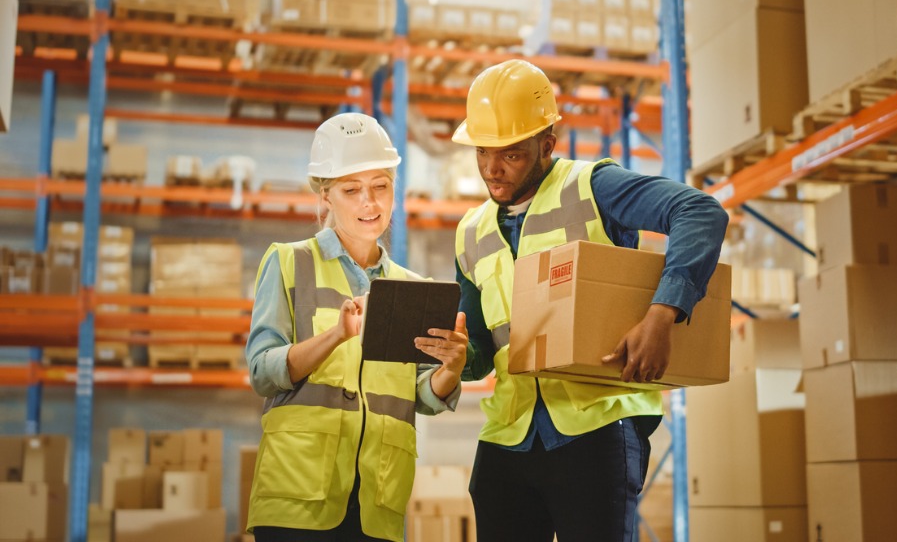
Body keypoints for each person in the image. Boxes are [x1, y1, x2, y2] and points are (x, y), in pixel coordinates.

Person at [452, 60, 729, 542]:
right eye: (482, 151)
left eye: (511, 154)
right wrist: (454, 360)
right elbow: (479, 352)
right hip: (507, 436)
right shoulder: (470, 232)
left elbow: (699, 212)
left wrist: (662, 315)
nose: (492, 169)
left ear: (547, 145)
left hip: (597, 427)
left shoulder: (593, 187)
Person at [244, 112, 469, 542]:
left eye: (380, 186)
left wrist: (450, 370)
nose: (370, 202)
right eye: (352, 190)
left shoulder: (412, 287)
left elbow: (420, 397)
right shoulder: (291, 262)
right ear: (326, 197)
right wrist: (337, 335)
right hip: (298, 498)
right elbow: (262, 370)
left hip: (376, 501)